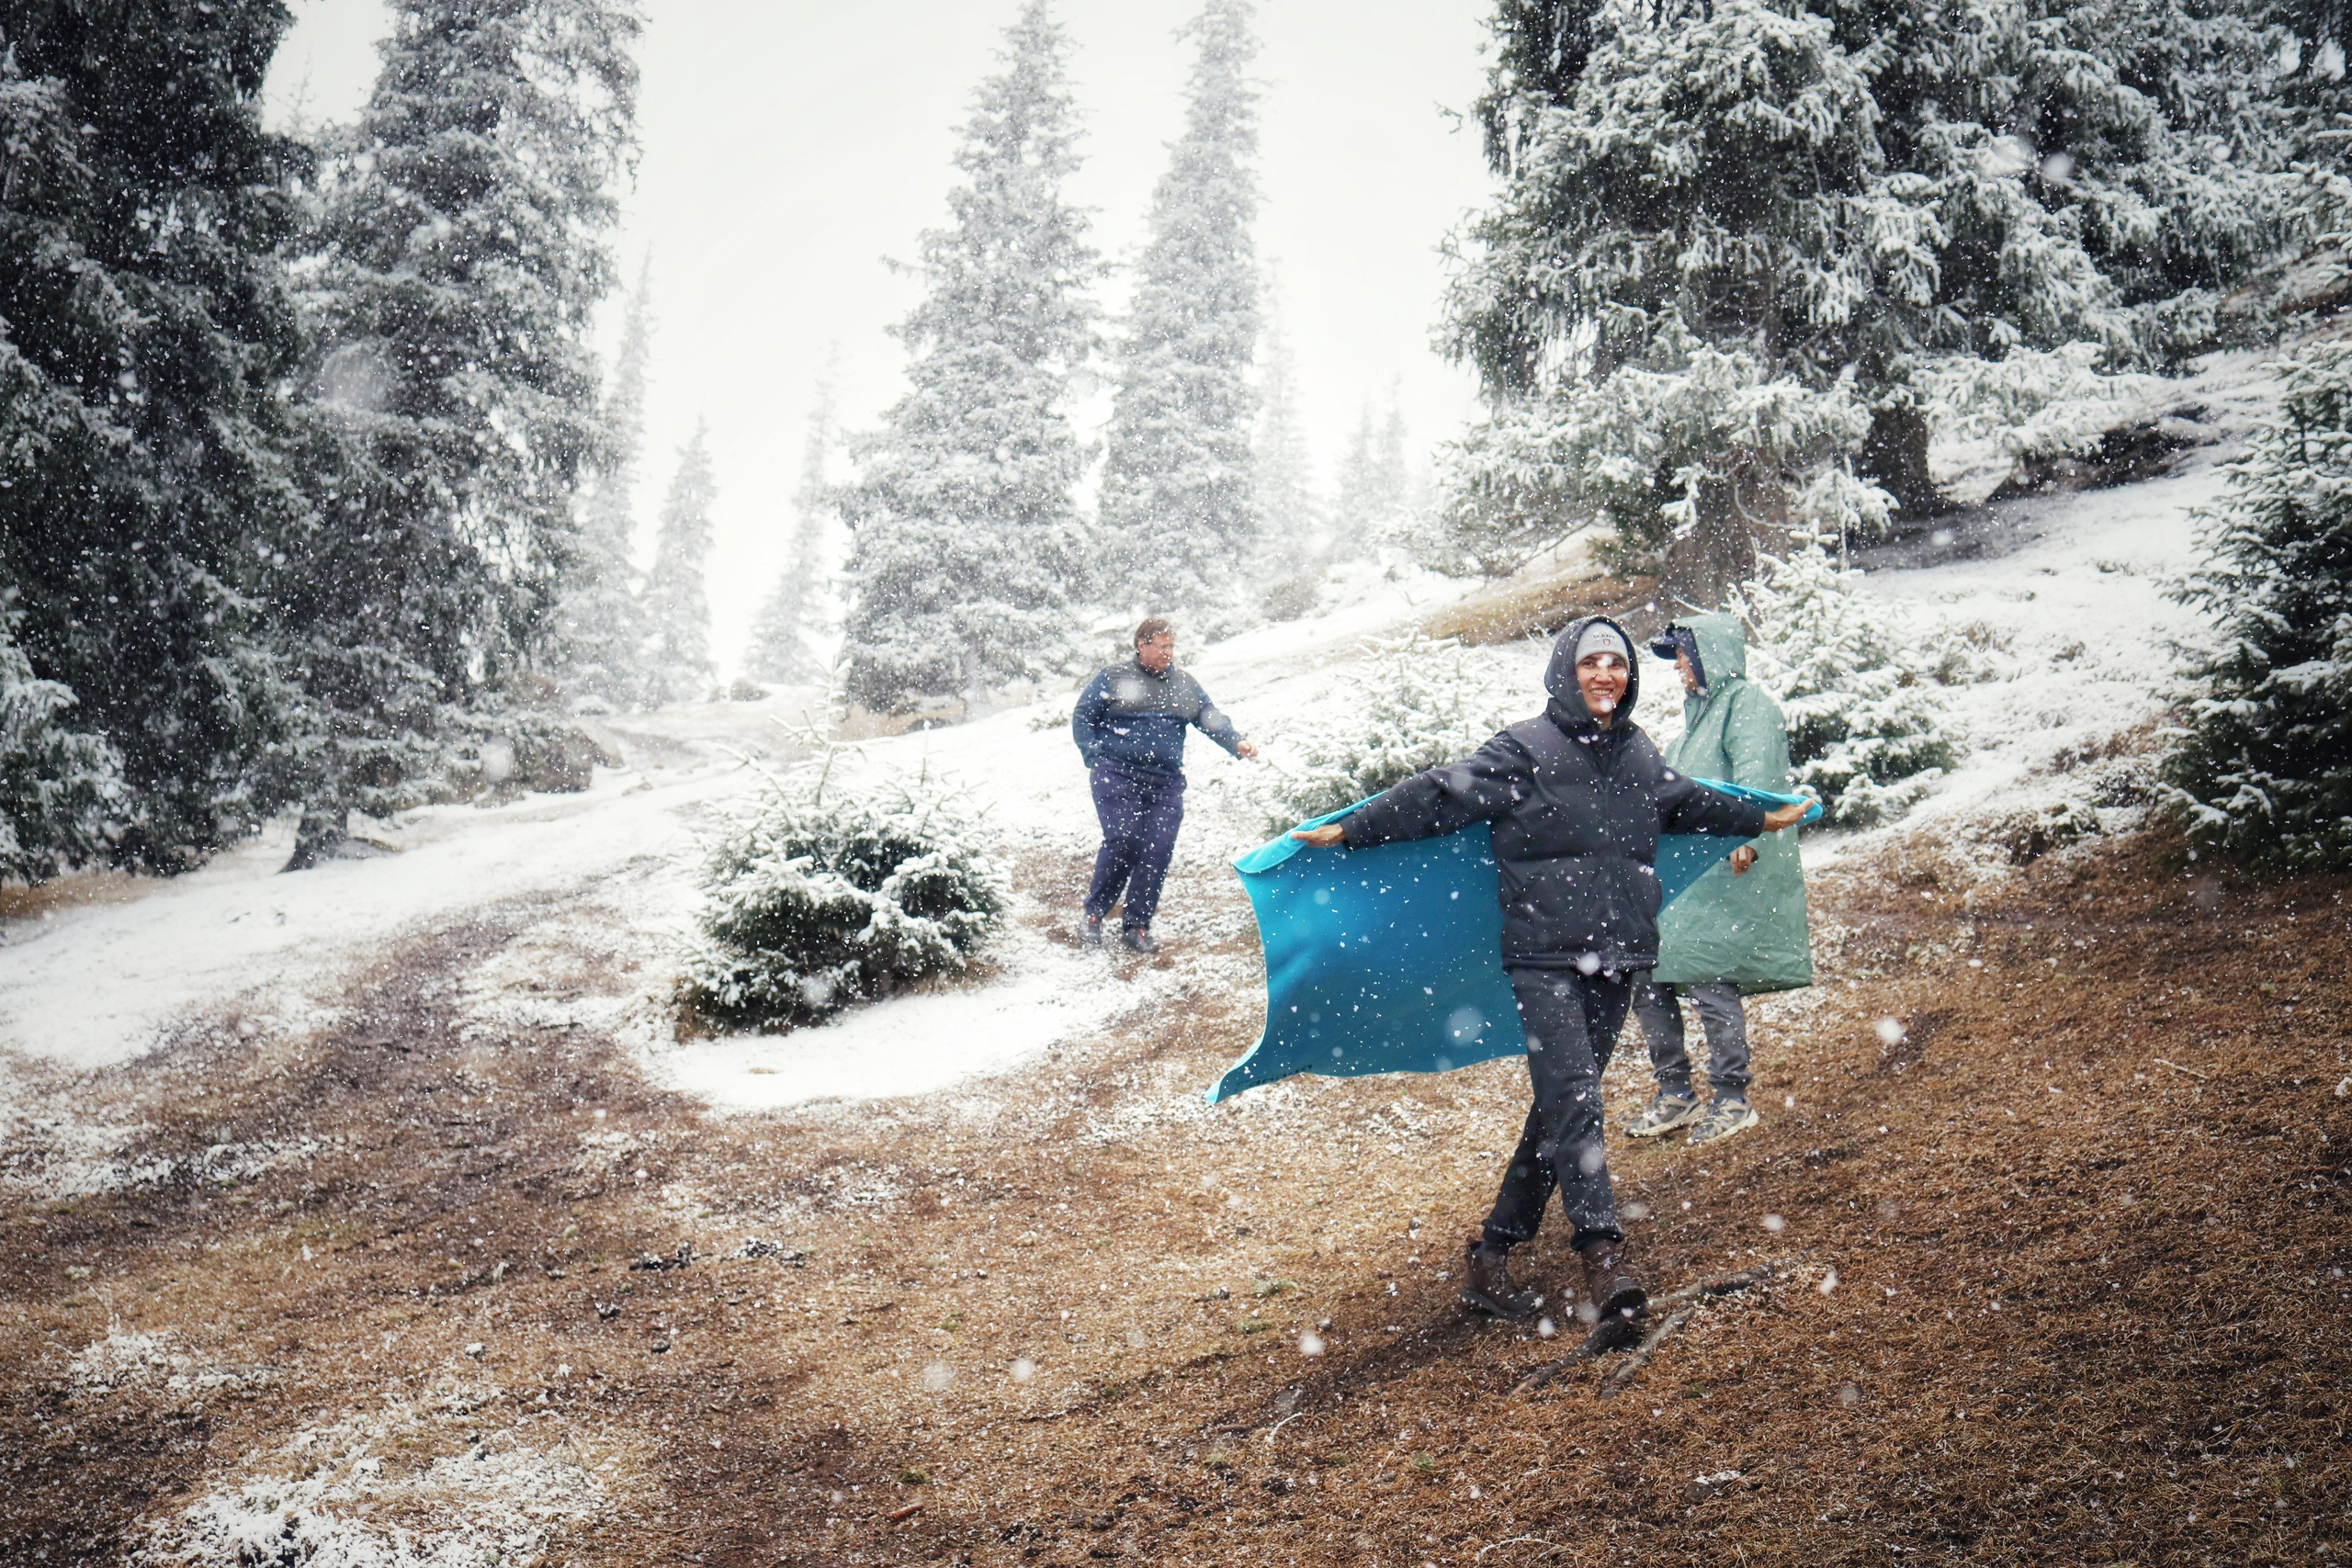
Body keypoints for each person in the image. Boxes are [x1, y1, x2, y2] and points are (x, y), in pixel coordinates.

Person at [1290, 618, 1805, 1323]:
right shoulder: (1523, 749)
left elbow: (1689, 802)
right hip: (1544, 960)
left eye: (1617, 664)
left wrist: (1760, 817)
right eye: (1592, 662)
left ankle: (1493, 1252)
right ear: (1567, 669)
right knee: (1578, 1100)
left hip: (1619, 955)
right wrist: (1357, 826)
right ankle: (1603, 1257)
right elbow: (1443, 792)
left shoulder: (1636, 753)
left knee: (1561, 1105)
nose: (1606, 674)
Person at [1623, 615, 1813, 1149]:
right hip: (1688, 877)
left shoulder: (1746, 704)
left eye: (1684, 654)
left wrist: (1746, 836)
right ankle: (1675, 1093)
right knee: (1649, 976)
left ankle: (1732, 1099)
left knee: (1709, 977)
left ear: (1710, 653)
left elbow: (1759, 774)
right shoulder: (1696, 718)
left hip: (1728, 867)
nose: (1679, 665)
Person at [1071, 619, 1257, 953]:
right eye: (1162, 646)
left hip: (1166, 784)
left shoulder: (1183, 684)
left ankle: (1137, 925)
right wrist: (1094, 756)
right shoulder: (1113, 677)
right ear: (1141, 645)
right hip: (1117, 775)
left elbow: (1208, 716)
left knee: (1157, 850)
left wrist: (1236, 743)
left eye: (1172, 647)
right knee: (1124, 841)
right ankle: (1094, 915)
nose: (1168, 653)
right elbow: (1084, 717)